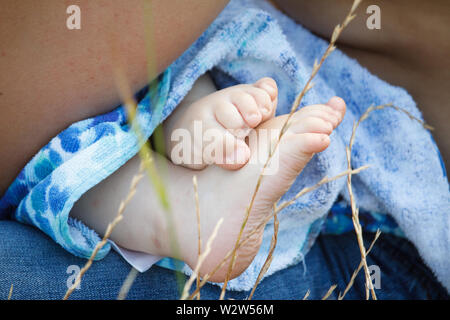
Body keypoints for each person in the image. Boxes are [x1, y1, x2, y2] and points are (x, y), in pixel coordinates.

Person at [0, 0, 448, 299]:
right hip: (201, 108)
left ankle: (187, 169)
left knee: (80, 159)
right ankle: (187, 186)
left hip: (366, 237)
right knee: (119, 133)